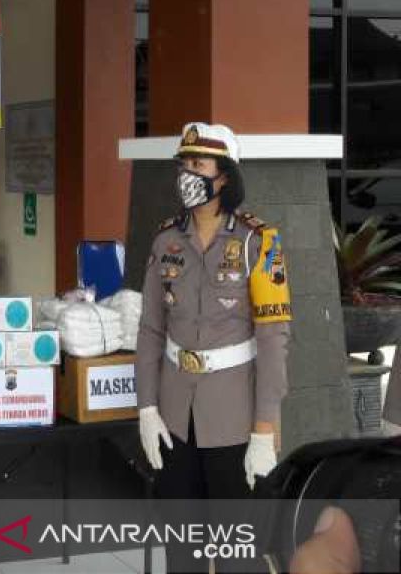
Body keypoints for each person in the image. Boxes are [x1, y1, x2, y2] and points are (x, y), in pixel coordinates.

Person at [136, 123, 292, 574]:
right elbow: (150, 329)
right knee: (181, 552)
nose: (188, 173)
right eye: (184, 163)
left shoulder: (258, 242)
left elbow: (273, 338)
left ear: (224, 176)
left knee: (236, 557)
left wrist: (265, 428)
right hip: (174, 419)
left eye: (198, 164)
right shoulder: (166, 239)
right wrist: (147, 409)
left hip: (234, 419)